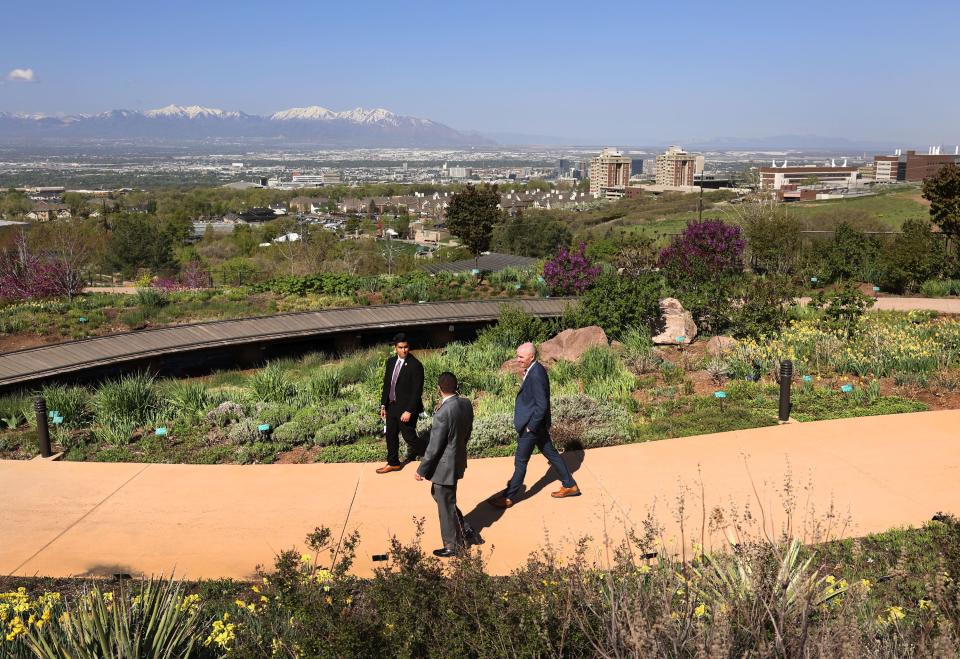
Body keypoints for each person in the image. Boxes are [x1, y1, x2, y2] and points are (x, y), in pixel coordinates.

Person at [489, 342, 580, 508]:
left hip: (531, 427)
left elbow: (542, 404)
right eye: (518, 356)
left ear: (532, 357)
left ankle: (508, 497)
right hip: (537, 426)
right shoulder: (533, 369)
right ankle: (570, 485)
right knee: (551, 454)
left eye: (521, 357)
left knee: (520, 462)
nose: (518, 360)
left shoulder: (536, 373)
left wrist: (531, 426)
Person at [415, 372, 476, 557]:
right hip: (457, 460)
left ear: (438, 388)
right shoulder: (465, 404)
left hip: (445, 465)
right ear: (456, 386)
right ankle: (464, 527)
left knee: (444, 503)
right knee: (442, 496)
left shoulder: (443, 413)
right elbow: (467, 431)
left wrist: (422, 469)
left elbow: (434, 447)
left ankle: (453, 545)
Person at [377, 333, 426, 474]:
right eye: (400, 347)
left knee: (409, 437)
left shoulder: (415, 365)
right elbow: (387, 385)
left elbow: (417, 391)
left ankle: (433, 455)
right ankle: (393, 463)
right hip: (392, 406)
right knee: (390, 435)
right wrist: (383, 405)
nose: (404, 350)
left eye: (406, 347)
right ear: (395, 348)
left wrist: (409, 410)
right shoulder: (391, 362)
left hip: (406, 409)